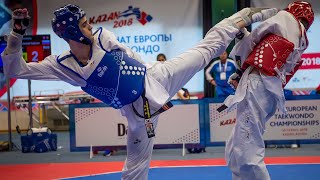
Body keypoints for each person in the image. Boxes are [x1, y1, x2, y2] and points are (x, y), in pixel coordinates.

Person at [1, 4, 278, 180]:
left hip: (156, 78)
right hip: (137, 114)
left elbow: (124, 62)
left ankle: (244, 18)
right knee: (134, 169)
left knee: (206, 50)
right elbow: (16, 70)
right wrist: (16, 34)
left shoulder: (103, 38)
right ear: (73, 31)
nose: (90, 26)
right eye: (83, 24)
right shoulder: (62, 66)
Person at [223, 1, 314, 180]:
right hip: (270, 91)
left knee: (248, 148)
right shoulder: (303, 41)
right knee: (236, 145)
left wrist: (240, 34)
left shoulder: (286, 18)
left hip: (258, 84)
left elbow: (253, 39)